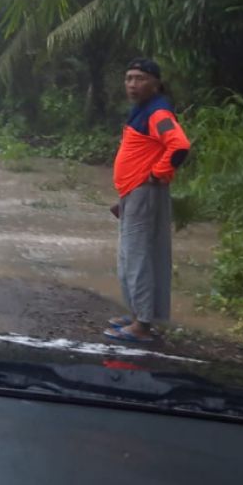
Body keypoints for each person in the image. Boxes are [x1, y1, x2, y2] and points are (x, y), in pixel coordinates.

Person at [104, 58, 190, 343]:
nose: (132, 84)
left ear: (156, 83)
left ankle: (142, 325)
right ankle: (138, 314)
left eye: (140, 78)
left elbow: (179, 145)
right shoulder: (141, 110)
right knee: (128, 257)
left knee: (138, 257)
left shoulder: (158, 111)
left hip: (144, 192)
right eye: (128, 78)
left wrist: (156, 175)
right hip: (133, 193)